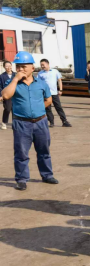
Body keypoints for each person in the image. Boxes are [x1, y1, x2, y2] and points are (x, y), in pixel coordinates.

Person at [1, 51, 59, 191]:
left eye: (24, 66)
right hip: (21, 123)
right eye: (18, 66)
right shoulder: (12, 82)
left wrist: (37, 110)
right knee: (21, 153)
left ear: (32, 68)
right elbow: (6, 95)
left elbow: (48, 99)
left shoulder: (41, 83)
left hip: (41, 122)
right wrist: (15, 80)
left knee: (44, 150)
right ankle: (21, 179)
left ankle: (47, 175)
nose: (20, 69)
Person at [37, 59, 72, 128]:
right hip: (45, 94)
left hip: (54, 93)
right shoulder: (40, 73)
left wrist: (61, 90)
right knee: (48, 109)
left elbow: (59, 80)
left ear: (47, 64)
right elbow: (38, 83)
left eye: (43, 65)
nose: (42, 66)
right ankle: (51, 122)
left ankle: (64, 121)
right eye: (41, 65)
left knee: (58, 107)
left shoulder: (55, 71)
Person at [0, 61, 14, 130]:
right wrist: (0, 95)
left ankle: (15, 123)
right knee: (7, 109)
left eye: (9, 66)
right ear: (4, 67)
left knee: (15, 109)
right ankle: (4, 122)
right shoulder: (2, 76)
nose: (8, 67)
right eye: (6, 66)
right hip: (7, 95)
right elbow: (0, 86)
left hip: (16, 95)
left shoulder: (16, 74)